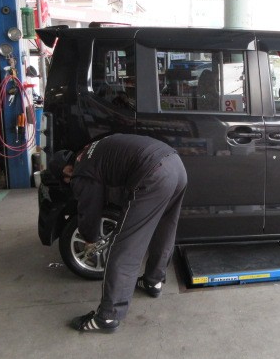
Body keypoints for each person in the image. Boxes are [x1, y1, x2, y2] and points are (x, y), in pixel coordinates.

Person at [48, 134, 187, 333]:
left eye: (67, 179)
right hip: (176, 164)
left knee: (124, 246)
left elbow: (89, 209)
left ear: (67, 170)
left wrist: (89, 238)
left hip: (154, 173)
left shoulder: (81, 170)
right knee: (164, 229)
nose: (70, 181)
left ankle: (107, 317)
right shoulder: (89, 150)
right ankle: (153, 281)